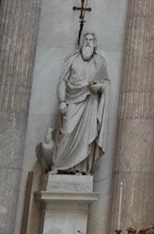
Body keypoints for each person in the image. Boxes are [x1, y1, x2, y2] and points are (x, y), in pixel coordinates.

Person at [38, 30, 109, 175]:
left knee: (86, 137)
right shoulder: (72, 59)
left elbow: (106, 82)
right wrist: (62, 101)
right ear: (82, 43)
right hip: (72, 100)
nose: (88, 42)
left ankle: (80, 168)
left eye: (91, 40)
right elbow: (63, 81)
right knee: (67, 131)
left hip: (90, 103)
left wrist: (100, 87)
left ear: (95, 44)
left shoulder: (99, 62)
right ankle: (59, 165)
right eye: (86, 40)